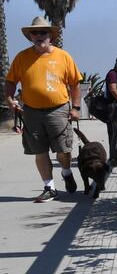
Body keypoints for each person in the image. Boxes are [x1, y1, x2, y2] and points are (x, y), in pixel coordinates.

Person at [3, 16, 82, 202]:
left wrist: (76, 107)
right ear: (30, 36)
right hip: (31, 111)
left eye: (43, 32)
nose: (39, 35)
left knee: (63, 149)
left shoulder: (63, 56)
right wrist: (9, 99)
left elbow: (75, 84)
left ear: (51, 36)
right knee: (39, 150)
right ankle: (49, 187)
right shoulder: (22, 57)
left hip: (59, 109)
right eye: (35, 32)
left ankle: (66, 171)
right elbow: (10, 81)